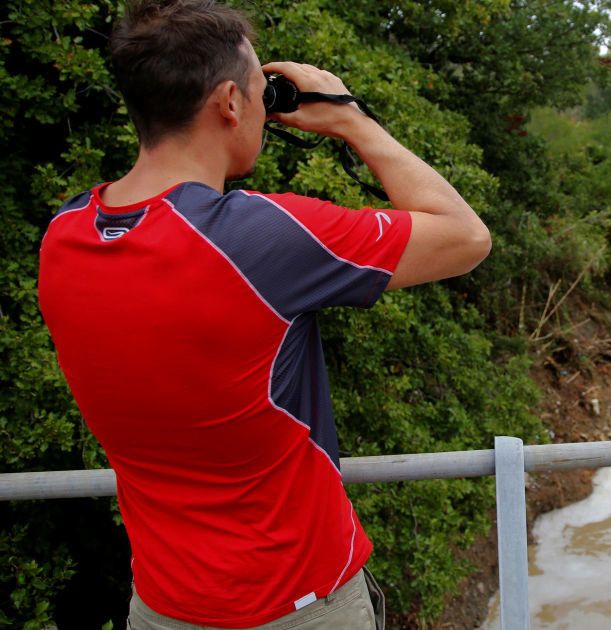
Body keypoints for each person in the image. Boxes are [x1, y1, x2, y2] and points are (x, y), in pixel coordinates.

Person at [37, 1, 490, 627]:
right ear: (229, 102)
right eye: (259, 90)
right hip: (298, 600)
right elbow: (466, 237)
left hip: (162, 605)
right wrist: (351, 120)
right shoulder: (259, 236)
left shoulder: (64, 237)